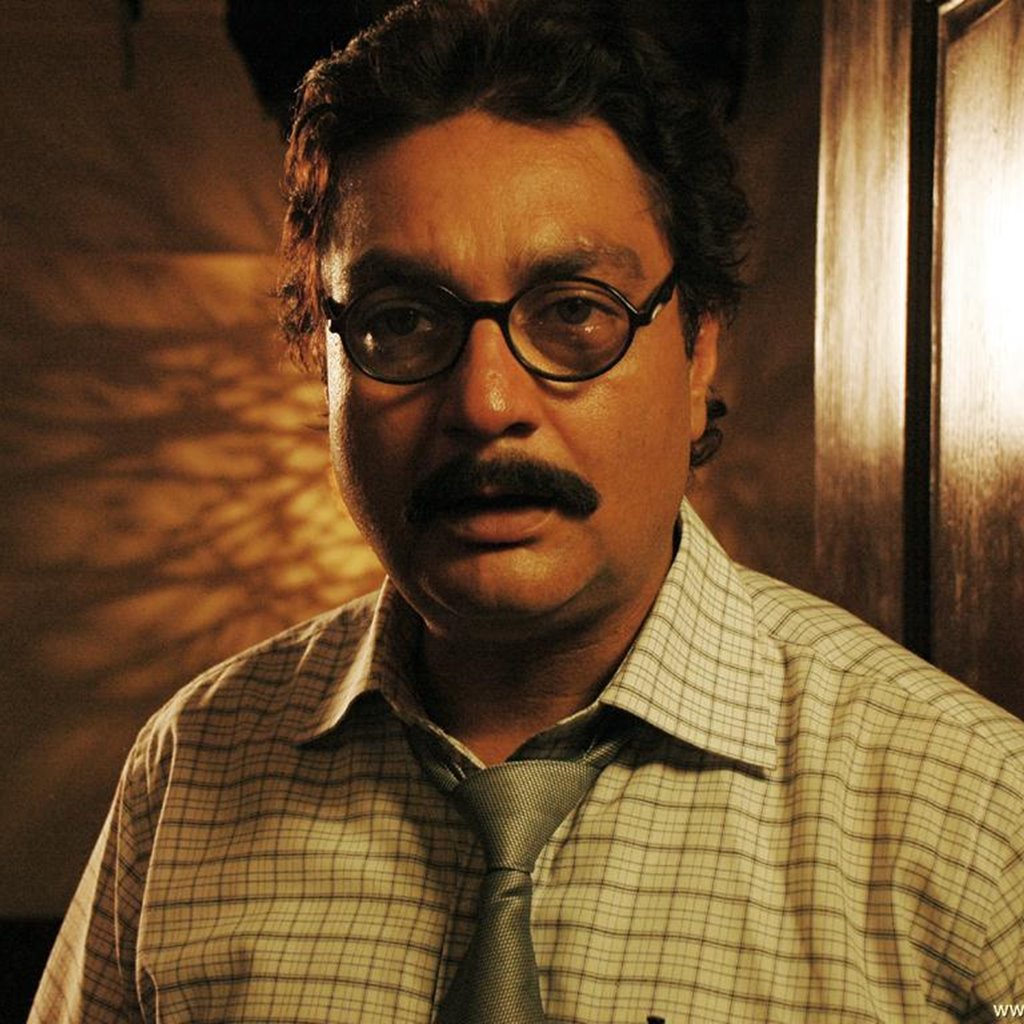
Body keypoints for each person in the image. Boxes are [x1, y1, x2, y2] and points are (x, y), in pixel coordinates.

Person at [31, 1, 1024, 1020]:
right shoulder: (188, 771)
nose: (485, 402)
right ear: (323, 362)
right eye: (401, 321)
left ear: (698, 354)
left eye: (573, 312)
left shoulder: (978, 822)